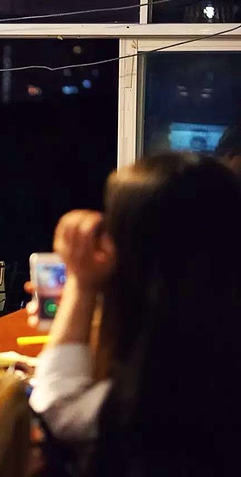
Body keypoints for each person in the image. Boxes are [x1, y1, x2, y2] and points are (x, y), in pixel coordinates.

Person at [27, 152, 241, 475]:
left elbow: (57, 412)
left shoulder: (165, 394)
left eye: (114, 233)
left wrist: (81, 285)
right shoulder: (214, 340)